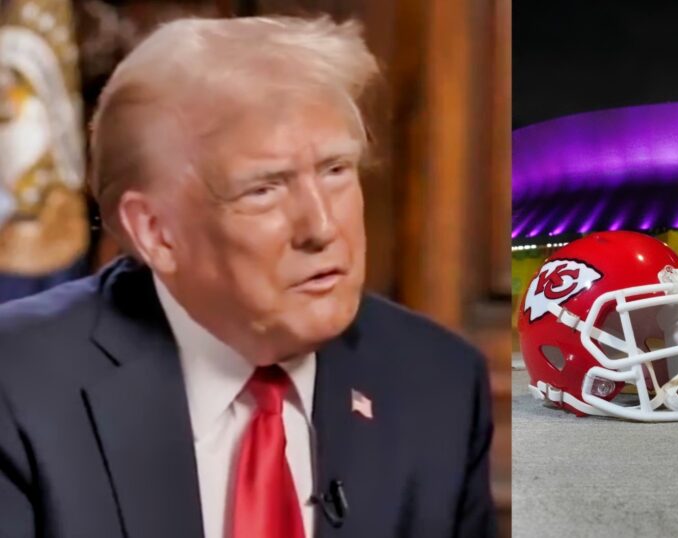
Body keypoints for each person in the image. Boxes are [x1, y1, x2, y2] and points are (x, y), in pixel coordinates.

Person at [0, 16, 495, 538]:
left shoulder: (437, 383)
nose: (322, 227)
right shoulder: (18, 387)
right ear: (156, 232)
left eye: (335, 171)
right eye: (265, 189)